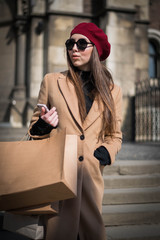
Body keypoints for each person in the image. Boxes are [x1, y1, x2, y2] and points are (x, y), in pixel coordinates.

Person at [28, 22, 122, 240]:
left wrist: (107, 152)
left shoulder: (112, 91)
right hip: (59, 178)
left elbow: (115, 135)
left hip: (90, 178)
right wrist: (43, 125)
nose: (74, 49)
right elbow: (33, 132)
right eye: (70, 43)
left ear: (95, 49)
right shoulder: (52, 81)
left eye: (81, 43)